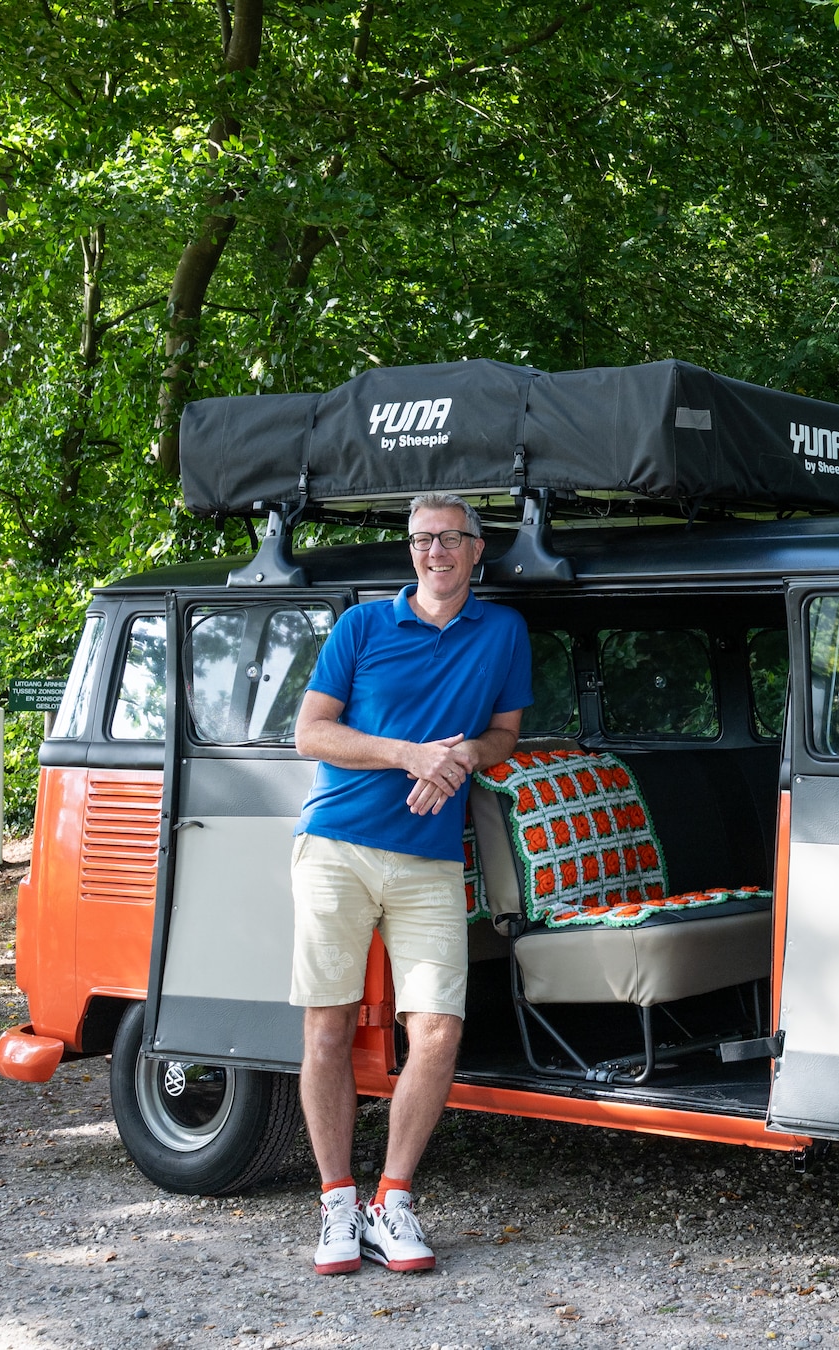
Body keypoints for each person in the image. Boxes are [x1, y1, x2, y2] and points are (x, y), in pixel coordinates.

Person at [289, 492, 530, 1276]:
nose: (435, 552)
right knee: (328, 1029)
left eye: (451, 539)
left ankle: (392, 1201)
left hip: (429, 856)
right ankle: (335, 1204)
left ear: (477, 549)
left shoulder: (502, 631)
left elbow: (504, 734)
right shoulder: (362, 625)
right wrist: (409, 755)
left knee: (436, 1032)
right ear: (411, 550)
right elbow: (310, 733)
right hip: (337, 845)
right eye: (423, 539)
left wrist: (458, 757)